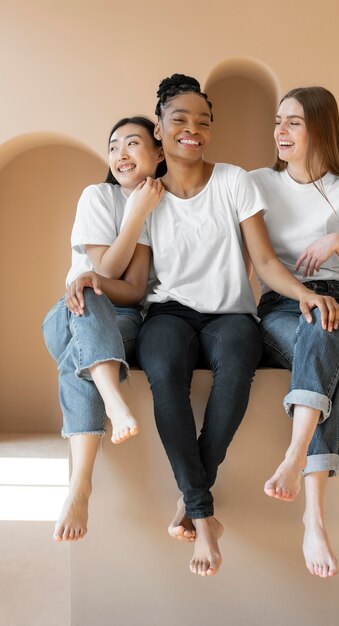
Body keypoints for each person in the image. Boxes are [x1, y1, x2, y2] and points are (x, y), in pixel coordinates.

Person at [113, 74, 339, 577]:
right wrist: (93, 280)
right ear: (160, 127)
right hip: (169, 313)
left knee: (238, 367)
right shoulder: (148, 197)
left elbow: (263, 261)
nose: (192, 129)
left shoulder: (235, 181)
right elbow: (134, 283)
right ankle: (202, 513)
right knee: (164, 377)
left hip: (231, 314)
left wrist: (307, 292)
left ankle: (194, 504)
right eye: (180, 119)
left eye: (203, 121)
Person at [250, 86, 339, 577]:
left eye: (293, 123)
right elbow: (258, 261)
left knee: (331, 325)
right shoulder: (257, 182)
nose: (279, 132)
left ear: (319, 128)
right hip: (283, 305)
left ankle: (293, 456)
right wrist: (306, 297)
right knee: (322, 333)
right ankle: (313, 515)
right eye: (278, 121)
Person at [42, 116, 165, 542]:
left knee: (80, 359)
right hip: (72, 310)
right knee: (91, 292)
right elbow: (105, 270)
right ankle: (114, 401)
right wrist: (136, 212)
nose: (120, 155)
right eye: (114, 147)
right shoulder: (97, 195)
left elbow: (131, 290)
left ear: (159, 152)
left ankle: (80, 485)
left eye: (133, 144)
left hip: (123, 324)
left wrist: (143, 209)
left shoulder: (162, 203)